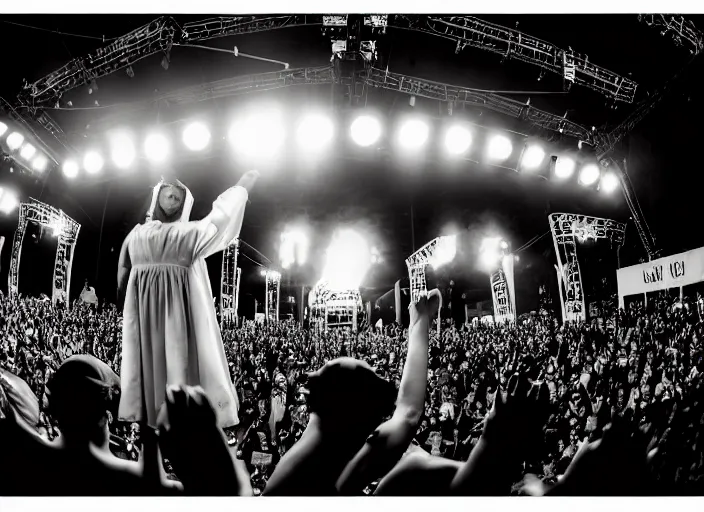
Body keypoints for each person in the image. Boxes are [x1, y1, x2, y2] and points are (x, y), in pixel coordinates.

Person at [117, 170, 259, 429]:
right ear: (155, 197)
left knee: (178, 387)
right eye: (166, 193)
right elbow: (123, 274)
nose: (171, 197)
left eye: (177, 195)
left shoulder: (189, 235)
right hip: (146, 330)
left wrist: (241, 188)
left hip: (178, 331)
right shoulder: (137, 236)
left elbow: (219, 220)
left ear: (185, 203)